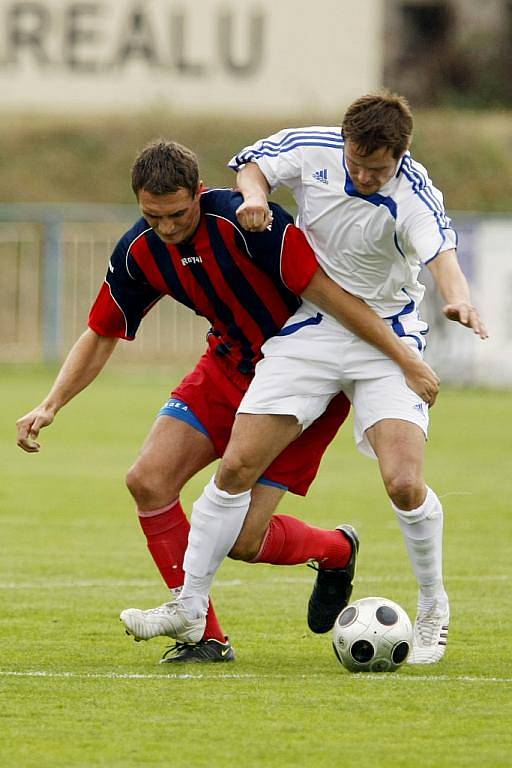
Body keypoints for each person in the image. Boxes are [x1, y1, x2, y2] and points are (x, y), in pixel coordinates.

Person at [16, 139, 438, 664]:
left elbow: (327, 293)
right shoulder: (139, 249)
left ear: (199, 192)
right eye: (153, 216)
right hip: (225, 368)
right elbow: (102, 331)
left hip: (302, 382)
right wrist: (52, 403)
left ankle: (337, 550)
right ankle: (204, 636)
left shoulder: (249, 224)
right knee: (147, 480)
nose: (167, 228)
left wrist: (402, 357)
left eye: (177, 214)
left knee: (243, 540)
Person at [145, 92, 488, 665]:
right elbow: (252, 164)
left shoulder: (413, 193)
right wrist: (256, 197)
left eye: (376, 168)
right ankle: (189, 604)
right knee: (235, 466)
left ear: (400, 156)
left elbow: (443, 257)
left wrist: (459, 301)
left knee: (403, 483)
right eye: (356, 161)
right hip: (314, 329)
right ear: (346, 141)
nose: (362, 175)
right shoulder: (313, 146)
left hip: (390, 336)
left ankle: (433, 608)